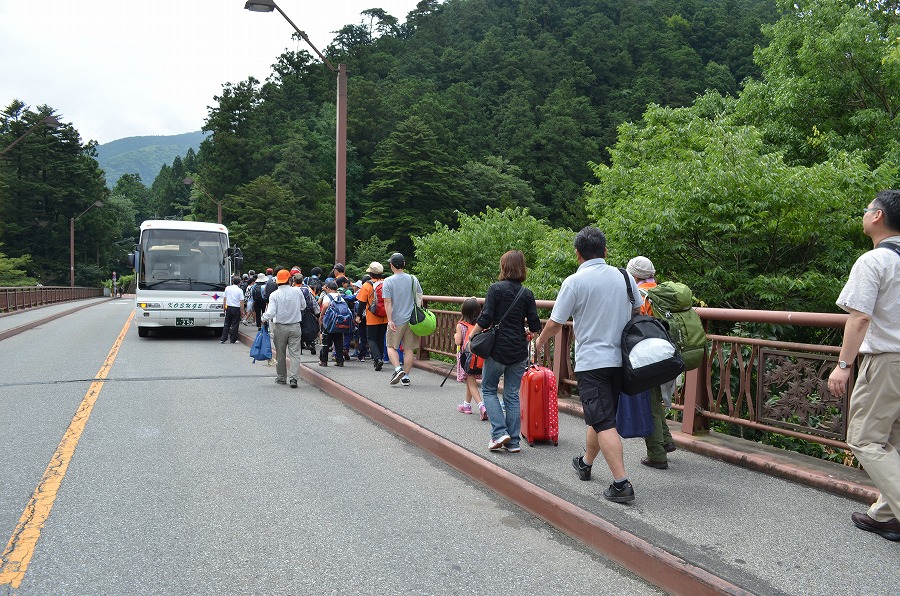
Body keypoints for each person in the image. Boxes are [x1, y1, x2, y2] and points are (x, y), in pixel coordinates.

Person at [534, 226, 640, 504]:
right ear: (605, 250)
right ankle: (585, 463)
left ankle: (621, 483)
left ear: (578, 254)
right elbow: (637, 311)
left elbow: (556, 322)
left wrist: (539, 342)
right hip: (621, 361)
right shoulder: (625, 277)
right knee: (600, 416)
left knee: (603, 420)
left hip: (592, 363)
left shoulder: (574, 282)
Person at [827, 189, 900, 541]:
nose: (865, 213)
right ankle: (887, 514)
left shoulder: (874, 261)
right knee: (895, 441)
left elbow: (859, 319)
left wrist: (844, 364)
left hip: (887, 361)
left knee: (865, 439)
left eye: (868, 209)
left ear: (878, 217)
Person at [469, 250, 541, 453]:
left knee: (489, 389)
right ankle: (513, 442)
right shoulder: (526, 293)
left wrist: (471, 337)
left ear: (504, 267)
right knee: (511, 395)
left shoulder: (495, 289)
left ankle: (499, 432)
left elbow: (485, 318)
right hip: (518, 350)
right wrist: (527, 331)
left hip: (498, 349)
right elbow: (535, 325)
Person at [626, 256, 678, 469]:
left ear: (634, 275)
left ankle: (656, 454)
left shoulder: (640, 295)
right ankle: (665, 440)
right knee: (656, 398)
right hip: (669, 353)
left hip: (649, 355)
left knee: (649, 403)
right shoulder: (663, 293)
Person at [261, 269, 307, 388]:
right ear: (289, 279)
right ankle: (294, 379)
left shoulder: (274, 295)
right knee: (295, 354)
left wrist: (263, 318)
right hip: (295, 326)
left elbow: (270, 313)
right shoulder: (297, 291)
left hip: (280, 327)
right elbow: (303, 306)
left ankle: (281, 378)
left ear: (278, 281)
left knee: (280, 354)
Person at [383, 253, 423, 386]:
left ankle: (397, 369)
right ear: (404, 264)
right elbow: (419, 296)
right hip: (412, 320)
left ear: (391, 265)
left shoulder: (388, 281)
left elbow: (387, 302)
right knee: (409, 349)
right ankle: (406, 376)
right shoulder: (413, 279)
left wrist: (390, 320)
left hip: (396, 319)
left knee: (390, 346)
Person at [454, 297, 487, 420]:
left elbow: (458, 341)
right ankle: (466, 405)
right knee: (470, 380)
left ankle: (481, 406)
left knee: (471, 382)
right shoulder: (480, 326)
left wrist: (455, 336)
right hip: (478, 357)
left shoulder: (460, 325)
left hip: (466, 358)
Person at [356, 263, 386, 370]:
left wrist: (358, 316)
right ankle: (380, 358)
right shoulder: (386, 283)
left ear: (371, 273)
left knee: (371, 338)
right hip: (385, 316)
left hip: (372, 317)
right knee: (380, 338)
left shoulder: (367, 285)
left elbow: (362, 303)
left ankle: (377, 359)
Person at [318, 280, 348, 367]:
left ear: (328, 288)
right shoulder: (340, 297)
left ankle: (324, 361)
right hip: (339, 322)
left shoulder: (328, 296)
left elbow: (326, 305)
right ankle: (340, 361)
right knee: (338, 342)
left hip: (329, 322)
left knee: (326, 342)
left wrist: (321, 315)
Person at [220, 275, 244, 344]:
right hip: (236, 308)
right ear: (239, 282)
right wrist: (242, 311)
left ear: (232, 281)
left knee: (227, 323)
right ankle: (233, 339)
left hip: (229, 307)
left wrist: (224, 306)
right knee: (235, 324)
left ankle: (223, 338)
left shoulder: (227, 288)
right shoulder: (240, 290)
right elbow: (241, 301)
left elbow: (225, 298)